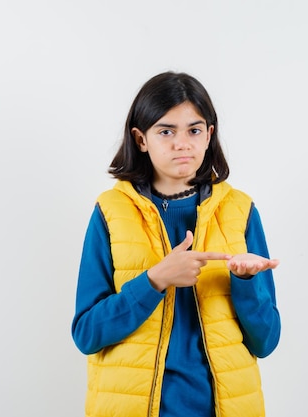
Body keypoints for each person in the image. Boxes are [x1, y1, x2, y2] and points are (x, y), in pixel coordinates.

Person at [71, 71, 281, 417]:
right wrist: (154, 281)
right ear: (141, 139)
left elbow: (266, 341)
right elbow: (86, 334)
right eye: (166, 131)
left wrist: (246, 283)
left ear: (209, 135)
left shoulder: (240, 210)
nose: (182, 143)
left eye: (194, 130)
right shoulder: (111, 212)